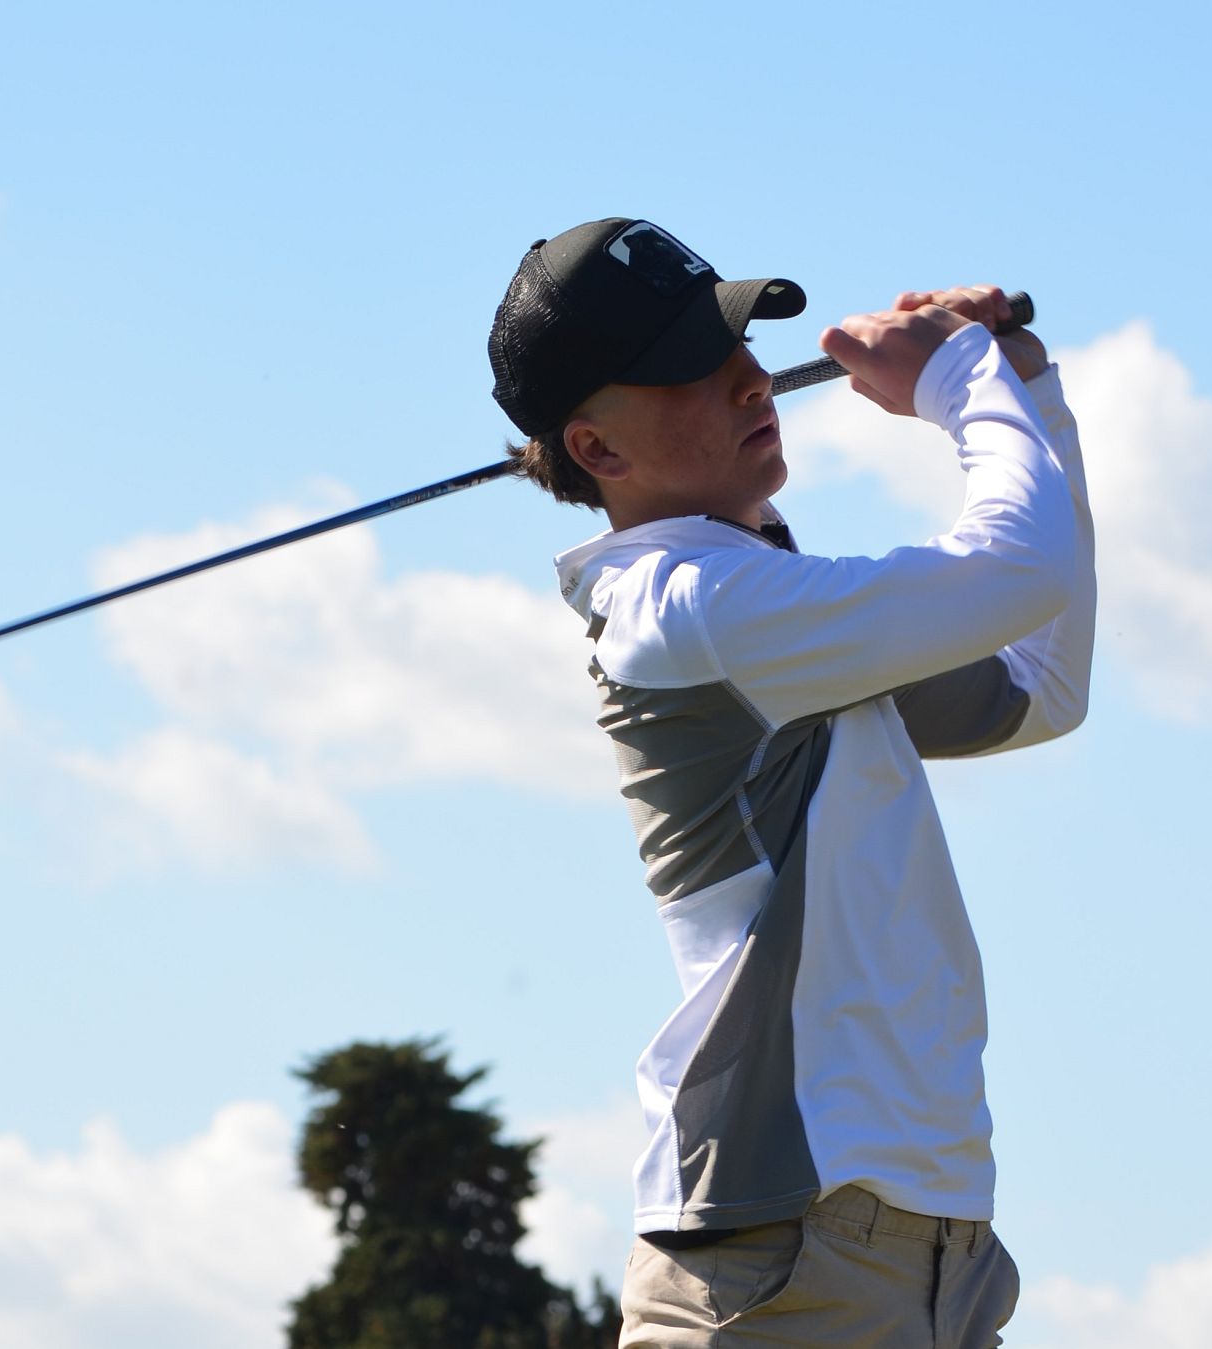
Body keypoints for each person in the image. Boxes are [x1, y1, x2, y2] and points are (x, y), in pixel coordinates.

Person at [487, 219, 1096, 1347]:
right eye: (689, 369)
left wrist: (1027, 392)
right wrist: (958, 376)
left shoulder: (777, 614)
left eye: (739, 344)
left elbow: (1040, 680)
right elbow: (1019, 570)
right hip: (778, 1261)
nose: (749, 379)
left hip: (935, 1255)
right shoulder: (688, 608)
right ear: (598, 449)